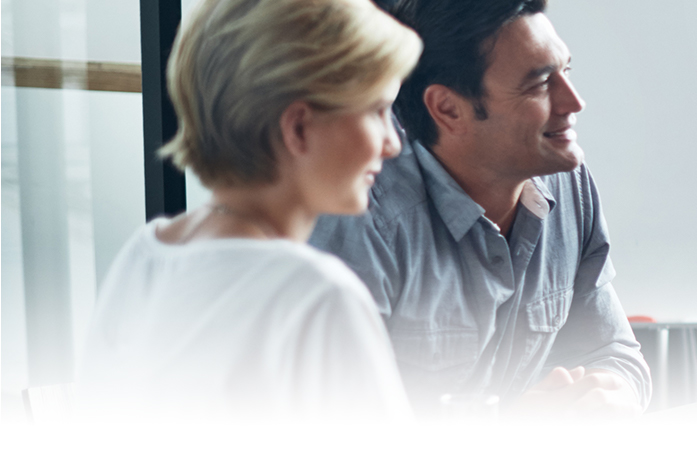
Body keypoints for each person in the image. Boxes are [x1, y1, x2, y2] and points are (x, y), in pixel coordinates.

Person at [74, 0, 420, 420]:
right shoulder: (316, 295)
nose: (393, 143)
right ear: (298, 128)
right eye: (378, 111)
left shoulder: (143, 257)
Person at [309, 0, 648, 416]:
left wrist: (613, 395)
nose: (573, 102)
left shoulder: (567, 180)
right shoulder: (361, 218)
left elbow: (611, 350)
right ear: (448, 109)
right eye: (539, 84)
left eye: (567, 71)